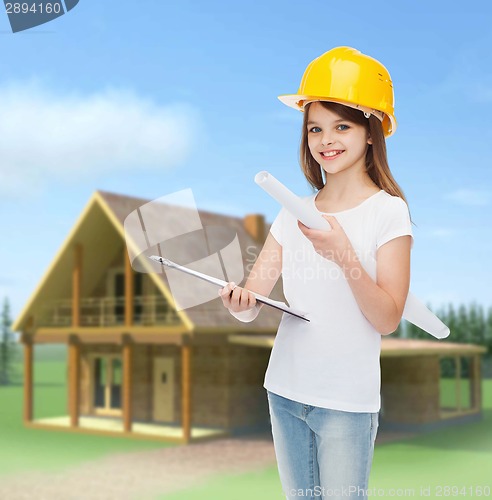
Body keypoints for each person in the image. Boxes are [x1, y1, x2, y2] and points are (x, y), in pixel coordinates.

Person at [218, 46, 414, 499]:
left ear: (372, 131)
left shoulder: (389, 212)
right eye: (315, 128)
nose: (326, 139)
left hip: (346, 404)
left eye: (342, 126)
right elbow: (255, 298)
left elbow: (387, 319)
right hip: (284, 389)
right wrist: (240, 304)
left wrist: (344, 254)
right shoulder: (294, 212)